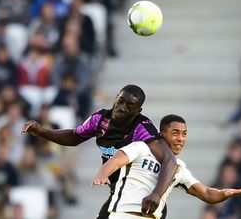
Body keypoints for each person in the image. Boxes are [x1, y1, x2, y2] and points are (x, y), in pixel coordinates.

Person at [21, 85, 177, 219]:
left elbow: (170, 160)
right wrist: (42, 132)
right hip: (119, 194)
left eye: (129, 106)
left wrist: (157, 194)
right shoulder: (100, 119)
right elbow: (75, 137)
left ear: (138, 111)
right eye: (120, 101)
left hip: (142, 198)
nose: (122, 108)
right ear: (116, 98)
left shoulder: (142, 129)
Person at [92, 114, 241, 219]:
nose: (181, 138)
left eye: (184, 134)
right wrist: (103, 174)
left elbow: (207, 193)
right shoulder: (141, 148)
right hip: (122, 215)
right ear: (162, 134)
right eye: (175, 133)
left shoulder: (179, 168)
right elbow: (116, 159)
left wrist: (225, 193)